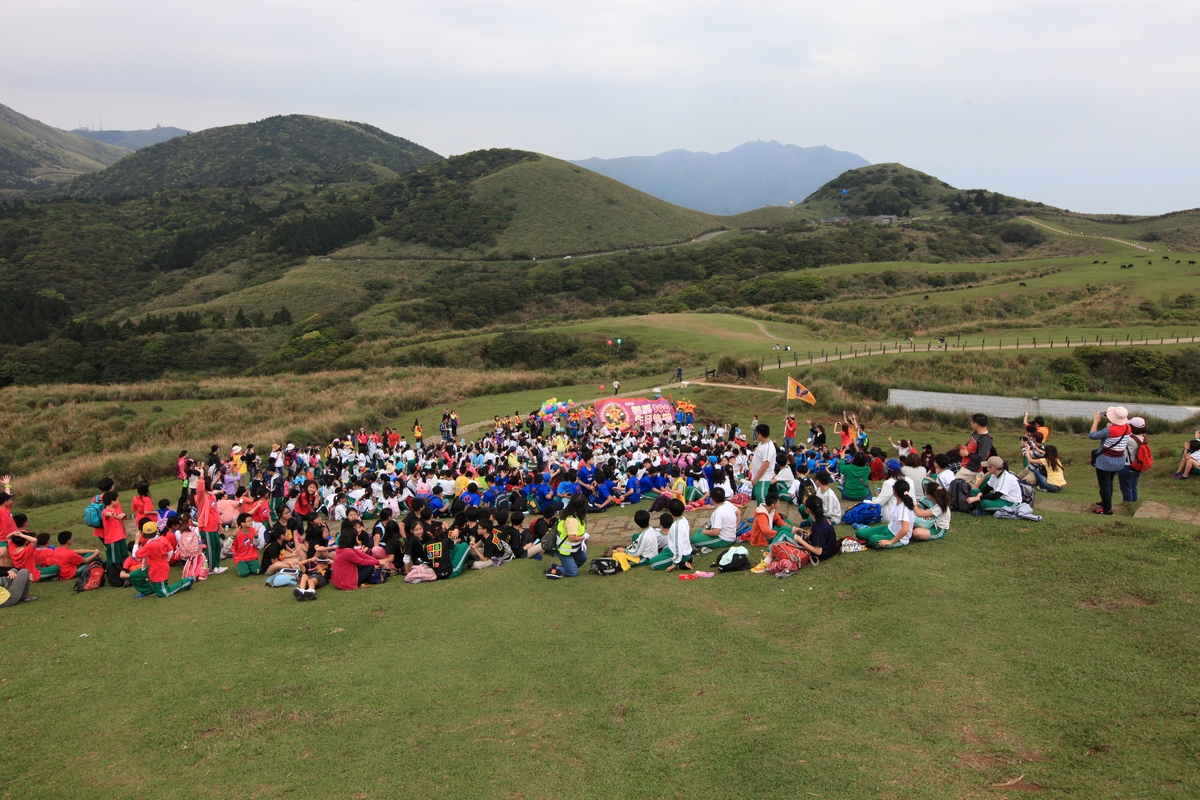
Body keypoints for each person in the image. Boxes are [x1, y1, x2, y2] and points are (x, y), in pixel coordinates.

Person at [132, 521, 193, 598]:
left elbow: (135, 555)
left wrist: (136, 541)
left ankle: (186, 581)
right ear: (157, 530)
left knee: (164, 593)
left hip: (158, 570)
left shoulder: (150, 545)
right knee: (135, 575)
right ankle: (149, 591)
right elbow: (170, 551)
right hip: (154, 567)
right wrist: (165, 560)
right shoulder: (162, 539)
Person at [1089, 406, 1131, 515]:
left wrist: (1096, 421)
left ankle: (1107, 509)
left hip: (1105, 461)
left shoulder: (1109, 430)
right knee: (1109, 482)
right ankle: (1106, 502)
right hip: (1119, 460)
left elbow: (1092, 435)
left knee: (1104, 485)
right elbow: (1115, 436)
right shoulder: (1128, 428)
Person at [857, 479, 916, 549]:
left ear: (894, 491)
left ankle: (886, 541)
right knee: (859, 533)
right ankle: (874, 539)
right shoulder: (896, 502)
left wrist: (891, 541)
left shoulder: (903, 508)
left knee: (874, 539)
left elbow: (905, 529)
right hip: (889, 529)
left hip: (898, 537)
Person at [545, 494, 588, 579]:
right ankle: (558, 568)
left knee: (583, 558)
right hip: (565, 550)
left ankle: (566, 567)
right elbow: (572, 538)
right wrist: (584, 537)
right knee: (573, 572)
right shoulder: (572, 520)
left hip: (574, 548)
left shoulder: (573, 515)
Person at [795, 495, 838, 561]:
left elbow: (818, 551)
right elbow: (819, 535)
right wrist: (800, 530)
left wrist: (800, 540)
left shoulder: (818, 527)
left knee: (788, 536)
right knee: (796, 535)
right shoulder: (823, 518)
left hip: (824, 554)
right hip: (829, 550)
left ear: (808, 510)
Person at [956, 414, 994, 481]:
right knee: (970, 489)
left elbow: (981, 458)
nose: (971, 423)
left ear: (976, 424)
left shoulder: (985, 440)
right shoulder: (976, 433)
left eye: (972, 422)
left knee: (953, 484)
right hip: (965, 465)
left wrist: (967, 454)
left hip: (971, 469)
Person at [662, 499, 693, 572]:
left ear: (669, 511)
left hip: (681, 554)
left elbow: (678, 545)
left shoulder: (676, 527)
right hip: (682, 550)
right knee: (661, 552)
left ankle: (681, 564)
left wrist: (674, 563)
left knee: (653, 564)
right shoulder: (683, 519)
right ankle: (687, 558)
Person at [749, 424, 777, 504]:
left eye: (756, 433)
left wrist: (756, 479)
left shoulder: (768, 448)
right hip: (758, 476)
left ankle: (767, 515)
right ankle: (760, 515)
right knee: (758, 497)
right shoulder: (761, 443)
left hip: (763, 477)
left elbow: (765, 465)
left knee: (762, 499)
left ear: (760, 435)